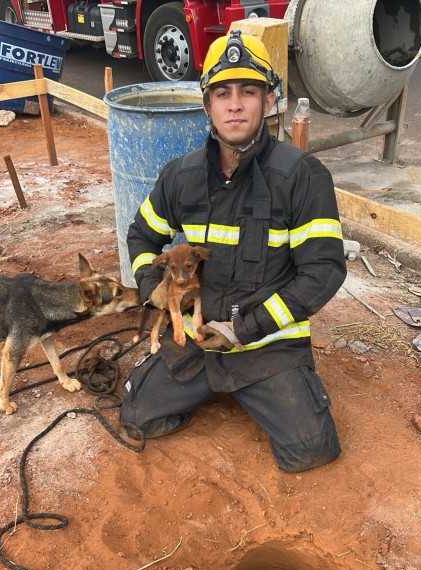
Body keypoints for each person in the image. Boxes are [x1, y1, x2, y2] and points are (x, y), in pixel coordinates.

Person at [121, 30, 347, 473]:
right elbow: (142, 236)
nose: (235, 104)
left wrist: (244, 329)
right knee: (138, 416)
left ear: (269, 100)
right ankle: (211, 385)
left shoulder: (301, 177)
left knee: (311, 449)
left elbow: (322, 272)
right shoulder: (180, 176)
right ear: (207, 105)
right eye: (223, 93)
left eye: (248, 91)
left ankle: (260, 390)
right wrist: (153, 289)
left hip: (266, 348)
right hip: (198, 341)